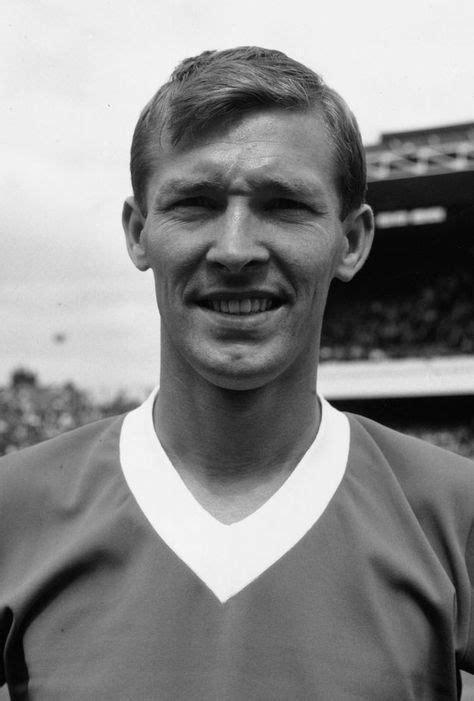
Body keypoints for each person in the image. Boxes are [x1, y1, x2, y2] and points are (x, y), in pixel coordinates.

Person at [0, 46, 473, 700]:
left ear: (353, 240)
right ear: (139, 232)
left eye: (284, 205)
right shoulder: (13, 505)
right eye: (195, 203)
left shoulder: (457, 510)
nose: (235, 250)